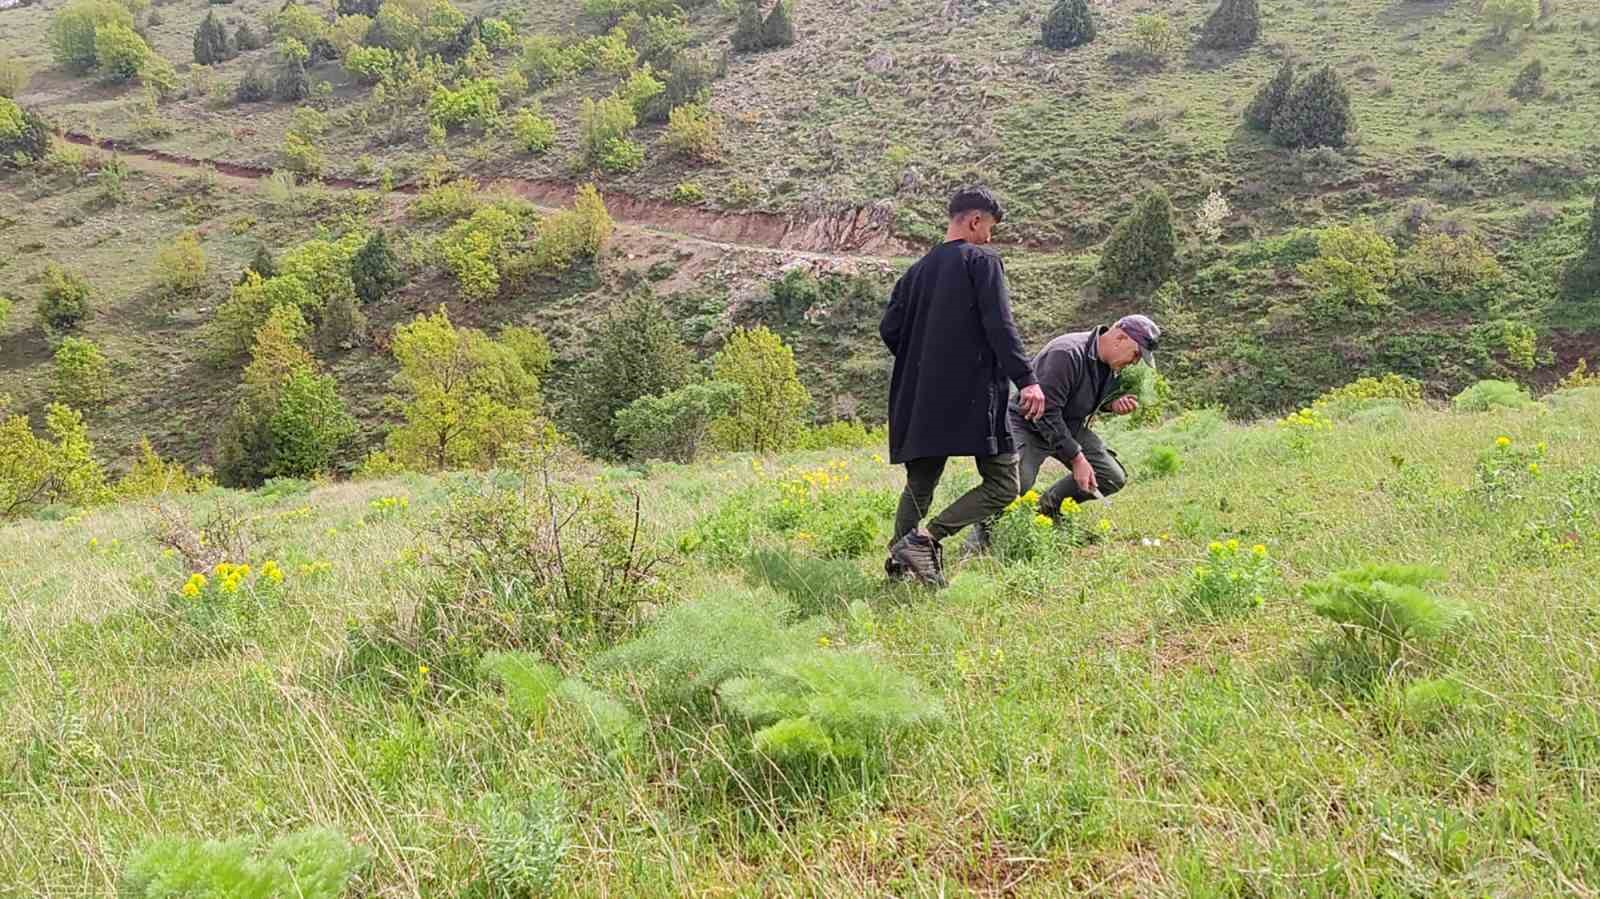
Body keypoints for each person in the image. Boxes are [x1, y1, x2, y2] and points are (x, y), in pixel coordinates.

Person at [879, 186, 1046, 586]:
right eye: (988, 228)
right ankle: (927, 538)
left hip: (918, 396)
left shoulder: (914, 272)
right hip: (973, 395)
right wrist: (1027, 380)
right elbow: (1000, 326)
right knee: (1005, 484)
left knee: (920, 483)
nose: (989, 237)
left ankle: (899, 564)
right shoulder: (982, 259)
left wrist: (929, 355)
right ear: (974, 221)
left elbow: (890, 330)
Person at [968, 315, 1161, 553]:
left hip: (1069, 425)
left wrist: (1111, 405)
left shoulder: (1110, 364)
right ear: (1120, 338)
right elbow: (1045, 412)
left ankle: (1047, 509)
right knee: (1015, 483)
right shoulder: (1066, 353)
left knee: (1110, 475)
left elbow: (1080, 398)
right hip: (1028, 422)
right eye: (1136, 354)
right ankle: (980, 538)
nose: (1134, 362)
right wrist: (1076, 458)